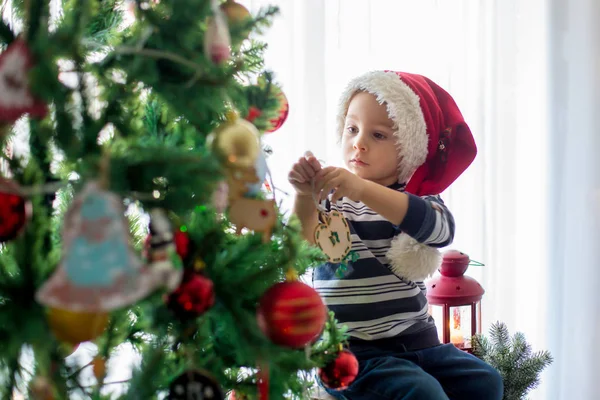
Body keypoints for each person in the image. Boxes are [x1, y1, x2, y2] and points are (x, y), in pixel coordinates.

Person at [288, 71, 503, 400]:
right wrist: (304, 195)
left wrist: (363, 189)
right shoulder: (332, 197)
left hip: (421, 342)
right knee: (421, 393)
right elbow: (300, 247)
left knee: (485, 382)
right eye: (352, 128)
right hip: (354, 354)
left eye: (377, 135)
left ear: (410, 146)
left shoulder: (417, 200)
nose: (359, 142)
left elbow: (440, 231)